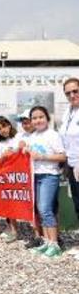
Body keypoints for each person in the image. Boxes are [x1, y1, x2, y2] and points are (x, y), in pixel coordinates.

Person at [24, 106, 66, 257]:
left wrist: (41, 157)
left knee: (46, 209)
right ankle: (48, 242)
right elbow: (29, 154)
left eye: (41, 117)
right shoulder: (32, 136)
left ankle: (54, 244)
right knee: (41, 211)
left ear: (47, 118)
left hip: (49, 176)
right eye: (34, 118)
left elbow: (62, 156)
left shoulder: (53, 135)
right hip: (36, 176)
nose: (38, 120)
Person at [0, 116, 20, 243]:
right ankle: (13, 229)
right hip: (7, 177)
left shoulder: (18, 138)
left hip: (20, 176)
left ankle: (39, 232)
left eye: (3, 126)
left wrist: (15, 151)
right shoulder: (1, 143)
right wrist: (4, 156)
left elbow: (23, 152)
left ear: (9, 125)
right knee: (9, 204)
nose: (2, 130)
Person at [59, 77, 79, 228]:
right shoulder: (68, 112)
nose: (72, 95)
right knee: (77, 204)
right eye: (68, 93)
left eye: (75, 91)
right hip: (71, 165)